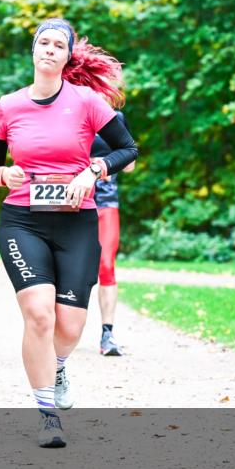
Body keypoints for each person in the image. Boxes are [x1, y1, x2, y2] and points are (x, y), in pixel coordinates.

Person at [0, 18, 138, 447]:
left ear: (68, 56)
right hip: (23, 220)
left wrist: (95, 169)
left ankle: (60, 364)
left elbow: (128, 149)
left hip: (77, 221)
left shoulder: (86, 102)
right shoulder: (8, 106)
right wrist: (2, 175)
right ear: (33, 51)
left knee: (68, 326)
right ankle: (47, 412)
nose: (48, 50)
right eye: (42, 43)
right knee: (39, 314)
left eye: (57, 45)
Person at [90, 124, 136, 356]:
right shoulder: (70, 109)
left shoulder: (115, 118)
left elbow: (130, 164)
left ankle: (107, 334)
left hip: (106, 203)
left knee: (106, 266)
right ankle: (56, 331)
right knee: (67, 268)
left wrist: (104, 164)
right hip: (72, 203)